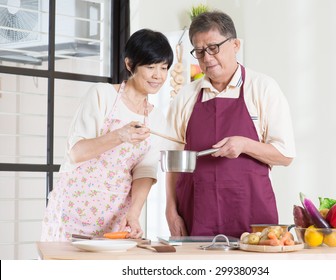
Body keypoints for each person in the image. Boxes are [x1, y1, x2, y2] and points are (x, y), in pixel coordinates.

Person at [165, 11, 296, 238]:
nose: (207, 58)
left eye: (214, 47)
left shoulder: (263, 88)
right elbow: (173, 161)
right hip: (196, 217)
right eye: (199, 51)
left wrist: (245, 144)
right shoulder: (185, 96)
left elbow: (285, 156)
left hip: (252, 219)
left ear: (235, 44)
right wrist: (170, 211)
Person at [41, 29, 174, 241]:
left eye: (164, 68)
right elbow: (76, 152)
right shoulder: (102, 95)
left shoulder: (156, 118)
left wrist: (134, 213)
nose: (158, 75)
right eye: (150, 67)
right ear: (130, 65)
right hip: (74, 208)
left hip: (116, 214)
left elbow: (145, 170)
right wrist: (120, 136)